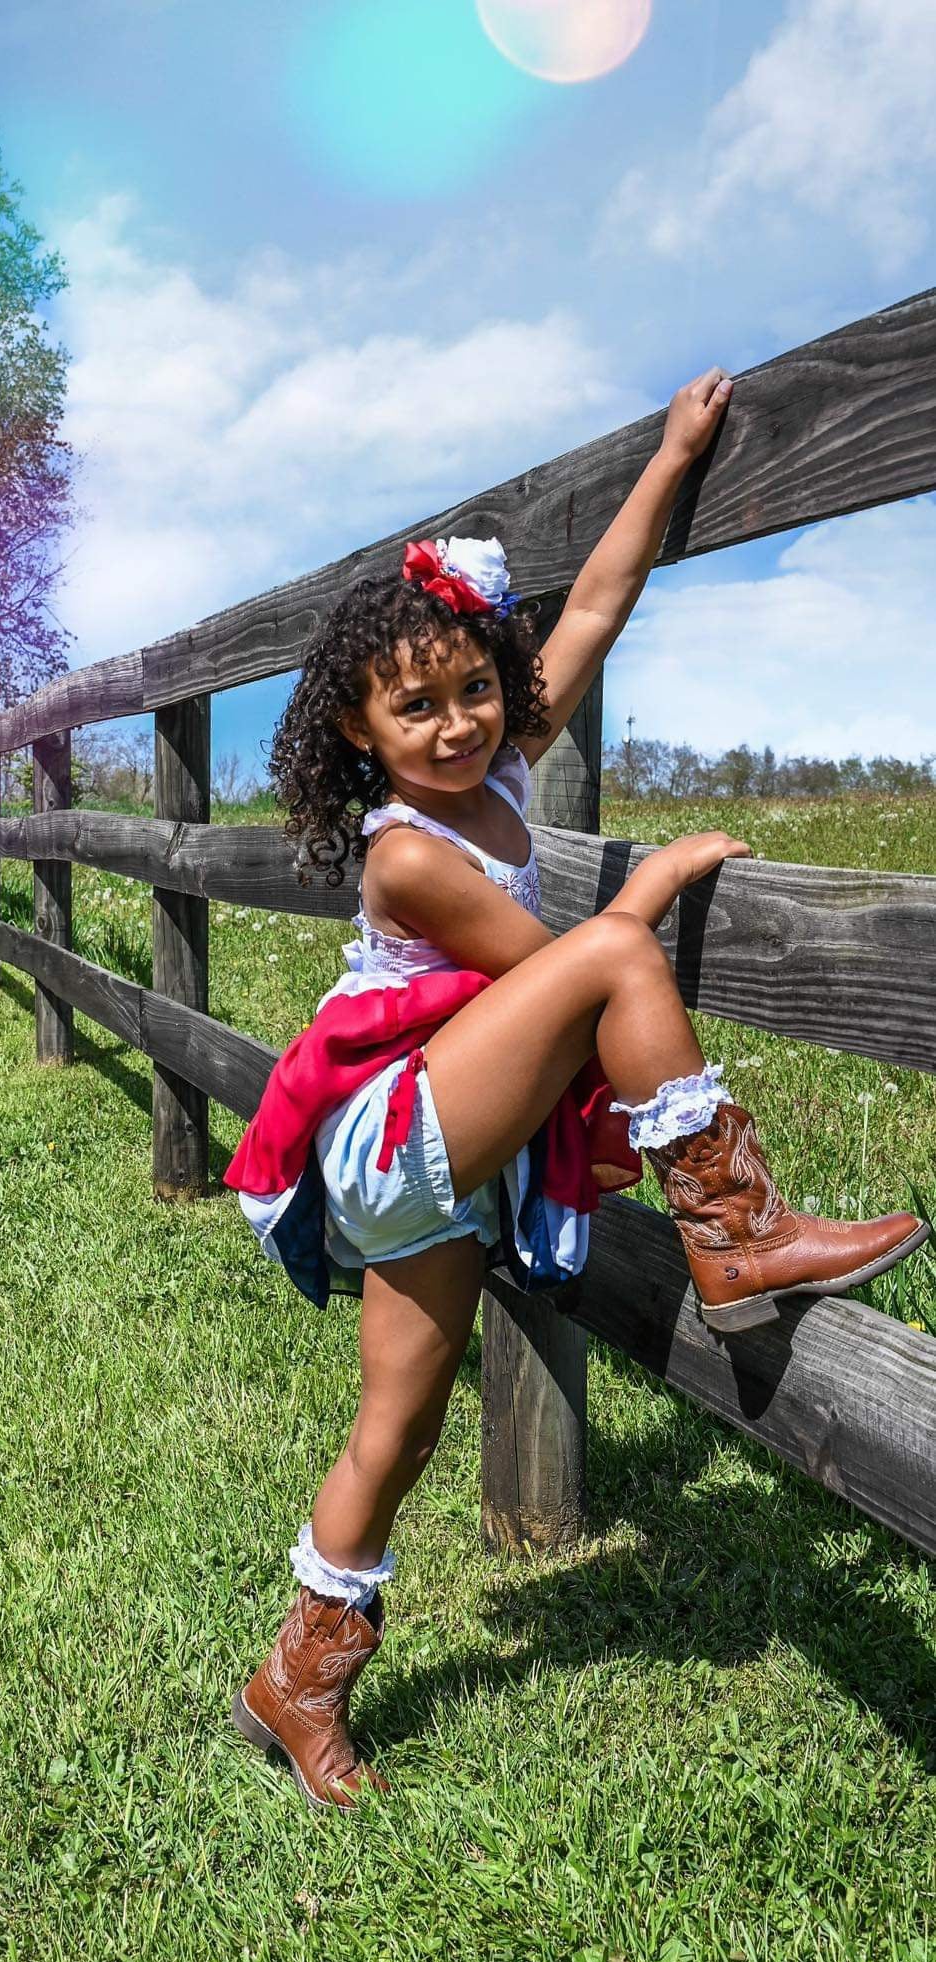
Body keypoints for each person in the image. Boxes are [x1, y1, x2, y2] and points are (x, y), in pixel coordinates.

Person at [224, 367, 930, 1813]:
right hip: (394, 1130)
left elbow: (595, 605)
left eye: (475, 690)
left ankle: (293, 1680)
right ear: (358, 727)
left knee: (394, 1426)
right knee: (612, 949)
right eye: (412, 706)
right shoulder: (404, 853)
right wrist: (656, 882)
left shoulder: (503, 781)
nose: (453, 725)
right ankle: (731, 1229)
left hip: (441, 1153)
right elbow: (563, 972)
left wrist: (672, 460)